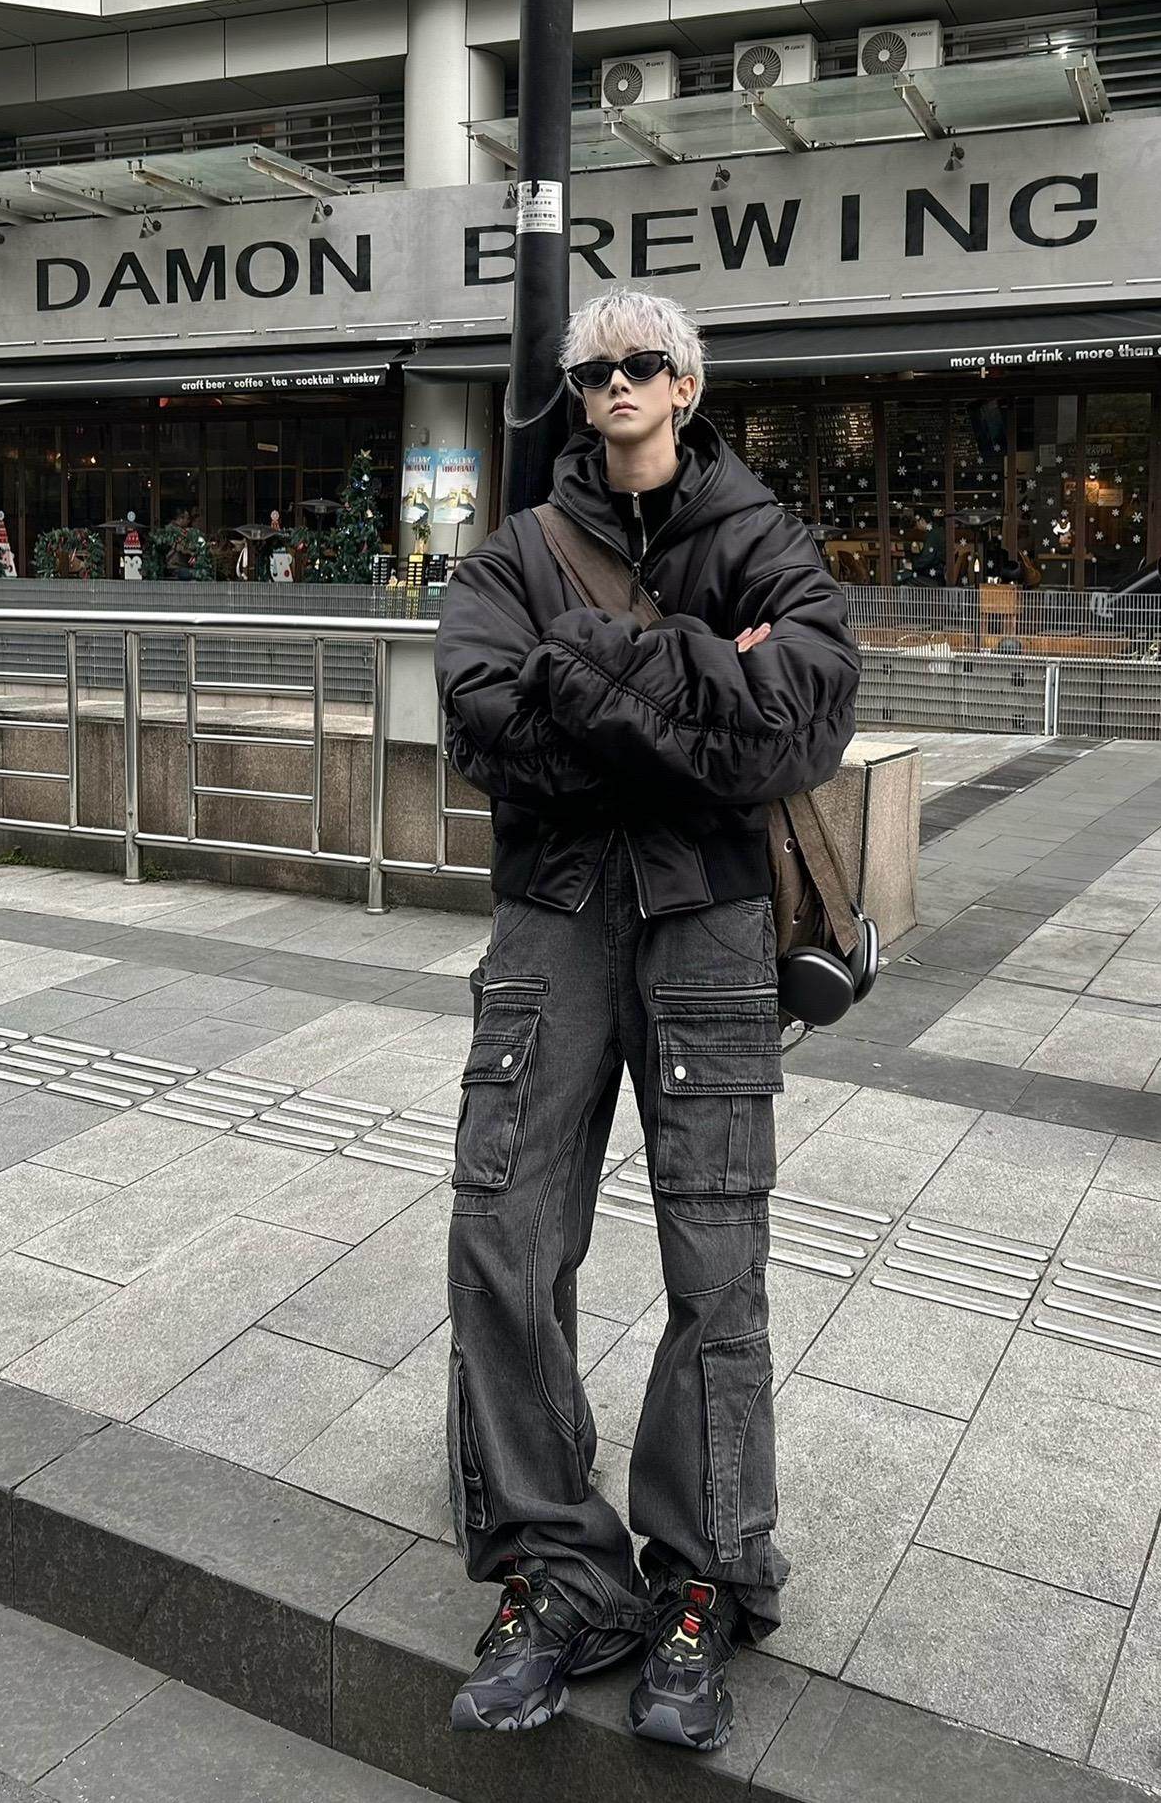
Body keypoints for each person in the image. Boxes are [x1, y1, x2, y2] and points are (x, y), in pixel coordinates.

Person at [432, 288, 860, 1754]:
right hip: (553, 912)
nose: (616, 383)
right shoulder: (513, 552)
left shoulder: (760, 533)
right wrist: (699, 673)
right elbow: (484, 720)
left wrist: (589, 668)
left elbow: (806, 713)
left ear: (686, 385)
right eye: (593, 368)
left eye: (642, 364)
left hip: (709, 921)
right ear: (577, 393)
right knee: (502, 1232)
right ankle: (556, 1564)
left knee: (715, 1257)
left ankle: (700, 1577)